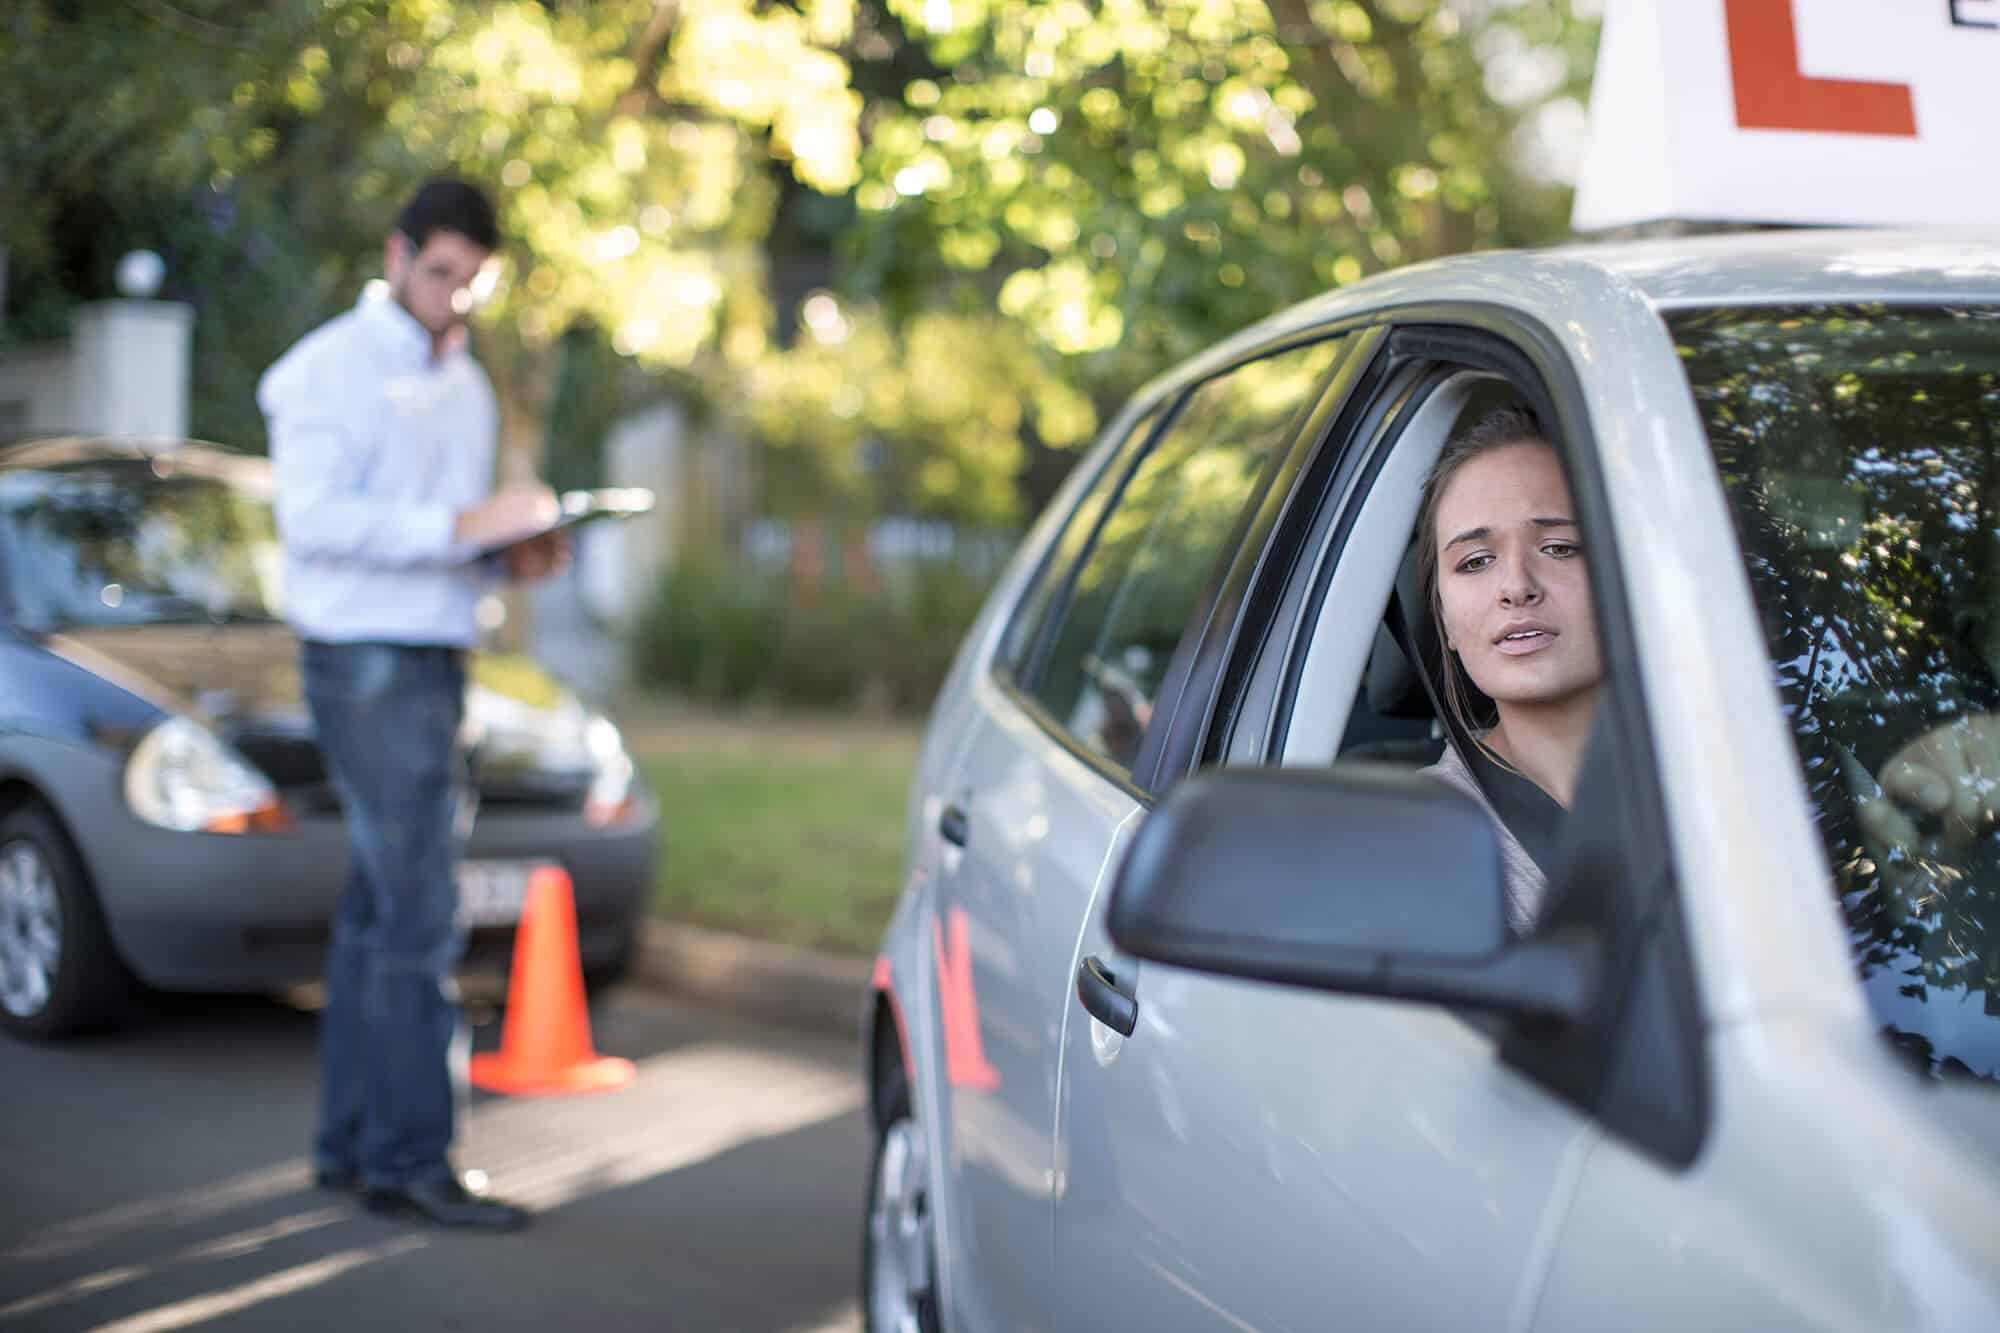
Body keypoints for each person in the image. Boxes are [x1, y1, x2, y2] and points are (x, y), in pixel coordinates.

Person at [257, 178, 566, 1232]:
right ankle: (410, 1161)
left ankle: (351, 1148)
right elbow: (312, 521)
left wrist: (510, 554)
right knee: (421, 911)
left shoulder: (466, 382)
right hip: (363, 661)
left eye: (474, 281)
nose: (455, 297)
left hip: (436, 655)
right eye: (440, 273)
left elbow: (450, 539)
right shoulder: (323, 369)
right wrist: (461, 525)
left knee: (377, 908)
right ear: (396, 257)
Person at [1413, 406, 1605, 933]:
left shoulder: (1745, 778)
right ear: (1445, 620)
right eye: (1475, 561)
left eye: (1560, 548)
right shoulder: (1412, 839)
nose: (1517, 586)